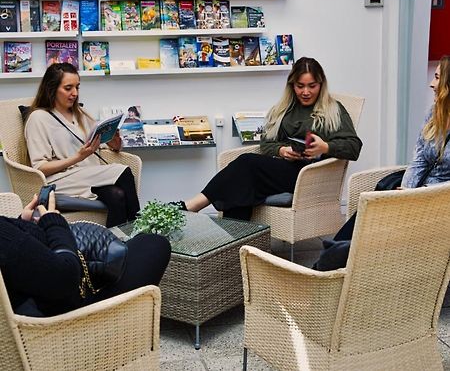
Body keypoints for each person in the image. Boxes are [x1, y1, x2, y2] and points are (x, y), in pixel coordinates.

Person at [176, 57, 363, 220]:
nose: (306, 92)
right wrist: (283, 150)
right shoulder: (284, 109)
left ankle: (193, 205)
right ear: (292, 85)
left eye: (312, 86)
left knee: (246, 163)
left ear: (321, 85)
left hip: (311, 175)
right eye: (300, 86)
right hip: (284, 168)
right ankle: (235, 247)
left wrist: (325, 147)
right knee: (243, 184)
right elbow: (266, 143)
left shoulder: (334, 109)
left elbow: (354, 147)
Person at [315, 55, 450, 270]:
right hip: (416, 192)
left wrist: (419, 194)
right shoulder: (435, 114)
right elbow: (420, 159)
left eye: (437, 78)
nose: (432, 83)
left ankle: (335, 258)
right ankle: (335, 254)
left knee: (380, 223)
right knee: (373, 207)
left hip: (438, 200)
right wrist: (406, 190)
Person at [0, 192, 170, 317]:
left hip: (46, 289)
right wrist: (54, 222)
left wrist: (23, 224)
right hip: (69, 315)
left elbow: (17, 254)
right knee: (154, 245)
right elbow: (64, 277)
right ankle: (120, 329)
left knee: (136, 244)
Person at [24, 63, 140, 228]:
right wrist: (78, 157)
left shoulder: (81, 114)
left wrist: (114, 142)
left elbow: (99, 147)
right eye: (68, 88)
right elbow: (40, 167)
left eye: (77, 87)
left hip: (89, 177)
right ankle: (142, 232)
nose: (75, 93)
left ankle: (117, 246)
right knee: (123, 172)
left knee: (117, 195)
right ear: (52, 89)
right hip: (61, 180)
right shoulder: (38, 118)